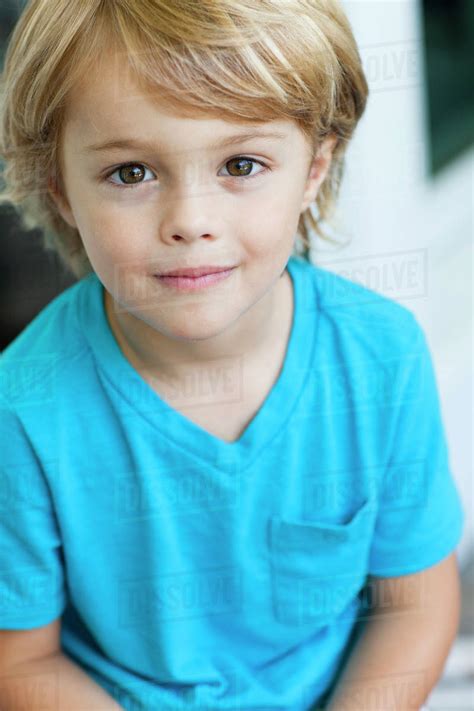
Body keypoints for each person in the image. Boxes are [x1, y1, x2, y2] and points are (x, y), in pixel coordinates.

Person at [0, 1, 464, 710]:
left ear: (314, 166)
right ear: (60, 186)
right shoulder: (22, 407)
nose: (191, 221)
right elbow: (21, 660)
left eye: (241, 163)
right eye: (131, 173)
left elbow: (414, 606)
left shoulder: (381, 358)